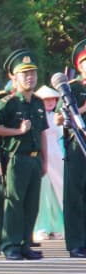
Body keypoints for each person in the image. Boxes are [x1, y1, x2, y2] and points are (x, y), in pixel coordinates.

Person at [0, 50, 48, 260]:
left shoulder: (38, 103)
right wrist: (17, 132)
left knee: (31, 203)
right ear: (14, 77)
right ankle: (10, 243)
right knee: (14, 202)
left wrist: (44, 160)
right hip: (15, 158)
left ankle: (24, 243)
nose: (30, 77)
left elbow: (42, 132)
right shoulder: (8, 102)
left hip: (34, 158)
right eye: (24, 73)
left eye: (32, 73)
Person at [59, 41, 86, 258]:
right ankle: (76, 242)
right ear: (79, 66)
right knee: (75, 195)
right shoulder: (72, 88)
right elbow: (61, 116)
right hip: (78, 146)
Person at [33, 81, 65, 241]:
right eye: (46, 99)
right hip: (42, 155)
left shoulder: (57, 116)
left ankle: (58, 226)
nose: (50, 102)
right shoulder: (37, 116)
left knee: (58, 192)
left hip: (57, 156)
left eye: (53, 99)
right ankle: (42, 227)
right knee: (43, 194)